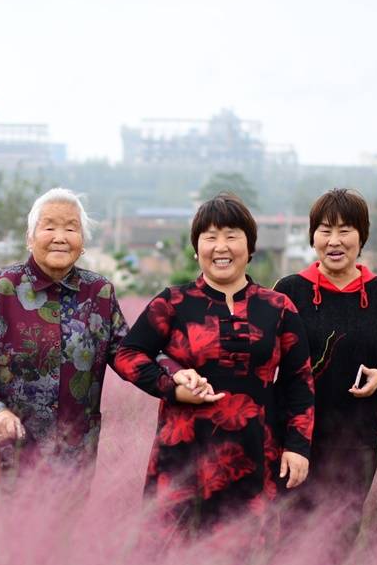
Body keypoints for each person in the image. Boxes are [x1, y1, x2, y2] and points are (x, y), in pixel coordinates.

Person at [114, 193, 315, 536]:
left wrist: (298, 447)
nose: (221, 246)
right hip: (182, 460)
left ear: (250, 247)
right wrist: (171, 387)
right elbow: (127, 355)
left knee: (245, 561)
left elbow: (299, 382)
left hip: (256, 457)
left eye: (232, 236)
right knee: (173, 561)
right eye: (210, 237)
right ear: (197, 249)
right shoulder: (173, 302)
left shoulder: (278, 307)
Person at [0, 187, 129, 507]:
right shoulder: (2, 288)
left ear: (83, 241)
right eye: (49, 226)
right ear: (30, 237)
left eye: (71, 227)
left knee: (58, 553)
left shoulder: (99, 293)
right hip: (7, 455)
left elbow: (130, 355)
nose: (60, 236)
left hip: (71, 462)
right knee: (4, 553)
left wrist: (174, 375)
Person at [272, 188, 377, 539]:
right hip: (296, 438)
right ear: (313, 237)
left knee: (341, 531)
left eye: (345, 230)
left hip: (357, 439)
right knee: (293, 533)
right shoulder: (289, 290)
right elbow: (263, 355)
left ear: (362, 235)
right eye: (325, 230)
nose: (334, 240)